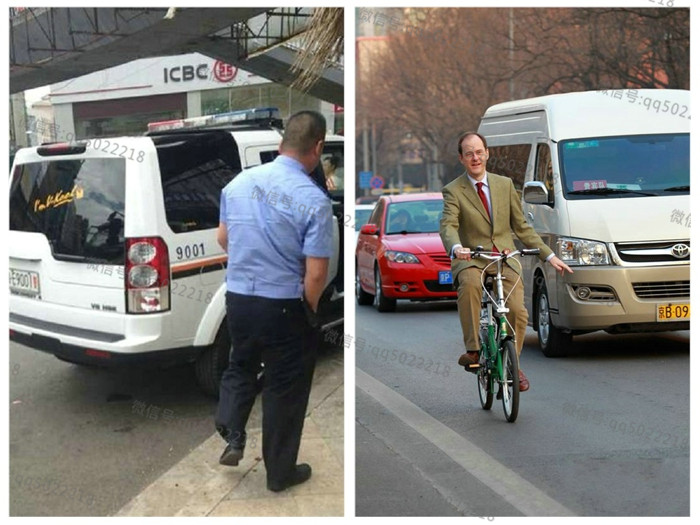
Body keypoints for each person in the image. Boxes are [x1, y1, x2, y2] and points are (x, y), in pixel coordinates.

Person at [215, 110, 334, 492]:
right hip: (283, 305)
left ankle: (232, 429)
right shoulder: (313, 200)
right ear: (317, 147)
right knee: (286, 386)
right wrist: (308, 310)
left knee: (240, 364)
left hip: (238, 299)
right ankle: (280, 473)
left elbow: (223, 238)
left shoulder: (237, 184)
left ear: (283, 142)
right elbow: (316, 273)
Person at [439, 131, 572, 391]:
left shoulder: (505, 184)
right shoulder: (453, 190)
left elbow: (521, 227)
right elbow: (448, 225)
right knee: (470, 286)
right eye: (469, 153)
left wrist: (550, 255)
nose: (475, 157)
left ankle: (513, 364)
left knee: (518, 311)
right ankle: (474, 350)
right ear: (462, 159)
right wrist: (456, 248)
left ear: (487, 154)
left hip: (504, 258)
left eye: (479, 152)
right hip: (473, 259)